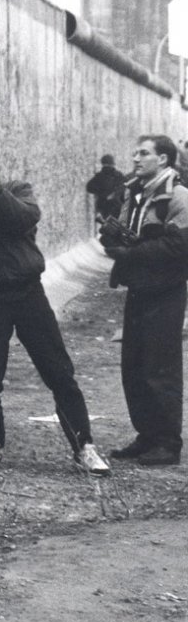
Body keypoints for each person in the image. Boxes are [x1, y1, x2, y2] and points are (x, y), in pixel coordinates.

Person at [0, 139, 110, 475]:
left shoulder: (17, 191)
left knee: (59, 372)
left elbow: (25, 219)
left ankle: (84, 446)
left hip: (29, 294)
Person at [101, 133, 188, 467]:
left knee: (160, 369)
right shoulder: (135, 193)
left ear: (163, 159)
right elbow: (130, 232)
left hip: (166, 292)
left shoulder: (178, 197)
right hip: (140, 289)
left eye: (144, 154)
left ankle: (168, 443)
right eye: (135, 153)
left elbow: (179, 247)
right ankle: (147, 436)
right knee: (134, 367)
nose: (136, 159)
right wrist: (113, 237)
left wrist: (132, 253)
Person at [85, 153, 125, 222]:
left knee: (107, 227)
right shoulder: (118, 175)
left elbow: (89, 187)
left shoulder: (99, 176)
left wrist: (101, 193)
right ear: (113, 164)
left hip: (105, 208)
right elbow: (124, 187)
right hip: (116, 207)